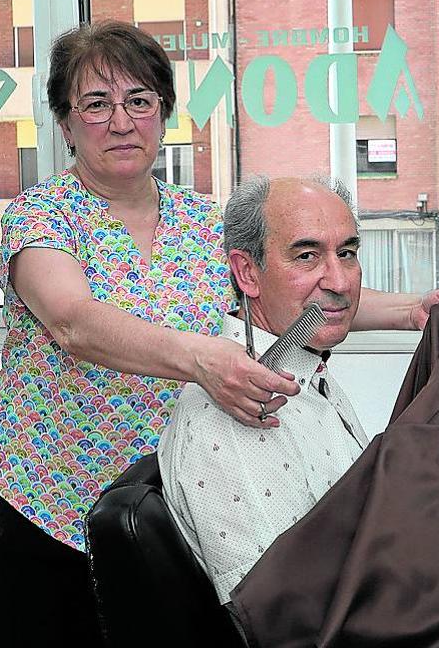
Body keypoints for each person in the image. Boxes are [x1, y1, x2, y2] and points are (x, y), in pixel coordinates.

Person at [0, 21, 439, 647]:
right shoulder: (40, 215)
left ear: (164, 113)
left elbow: (294, 291)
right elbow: (74, 323)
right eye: (96, 104)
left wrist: (410, 310)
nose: (121, 122)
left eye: (140, 101)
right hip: (47, 492)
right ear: (65, 125)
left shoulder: (205, 219)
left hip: (169, 496)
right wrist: (205, 359)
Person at [158, 174, 378, 603]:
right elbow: (287, 615)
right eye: (307, 256)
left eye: (347, 253)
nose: (340, 282)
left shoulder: (303, 367)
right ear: (247, 273)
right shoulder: (233, 417)